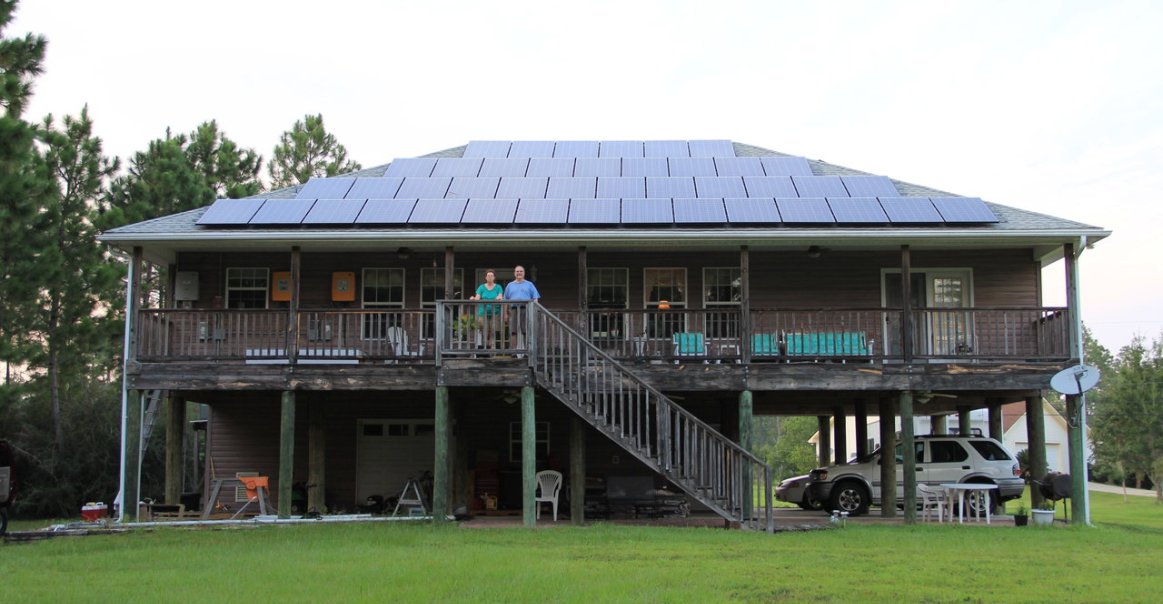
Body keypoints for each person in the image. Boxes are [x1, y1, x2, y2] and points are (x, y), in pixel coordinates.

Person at [503, 265, 541, 350]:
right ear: (514, 273)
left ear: (523, 273)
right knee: (513, 331)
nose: (519, 273)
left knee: (526, 330)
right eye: (517, 271)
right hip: (513, 310)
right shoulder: (510, 285)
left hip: (526, 309)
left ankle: (528, 350)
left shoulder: (529, 284)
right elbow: (505, 300)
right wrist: (505, 313)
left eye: (521, 271)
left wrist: (535, 310)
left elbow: (535, 298)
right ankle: (513, 351)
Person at [470, 269, 504, 348]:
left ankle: (491, 348)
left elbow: (500, 296)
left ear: (494, 277)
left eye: (491, 275)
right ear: (485, 277)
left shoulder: (498, 287)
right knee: (484, 331)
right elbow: (477, 297)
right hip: (483, 312)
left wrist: (499, 297)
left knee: (493, 331)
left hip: (495, 312)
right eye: (488, 275)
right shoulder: (481, 287)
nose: (490, 277)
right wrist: (473, 298)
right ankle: (484, 348)